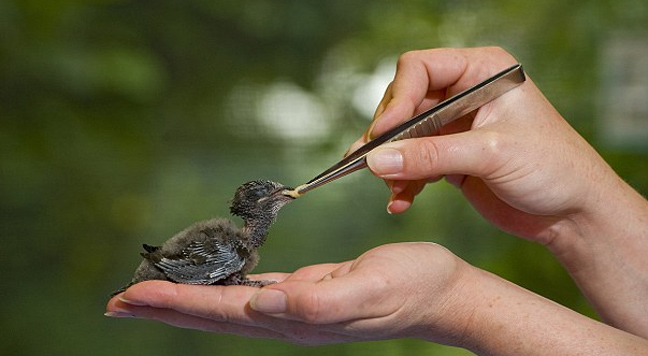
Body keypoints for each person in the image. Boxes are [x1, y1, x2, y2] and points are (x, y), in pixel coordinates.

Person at [106, 47, 648, 355]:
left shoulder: (236, 244)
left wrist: (456, 302)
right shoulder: (230, 246)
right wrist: (581, 209)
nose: (285, 196)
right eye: (274, 195)